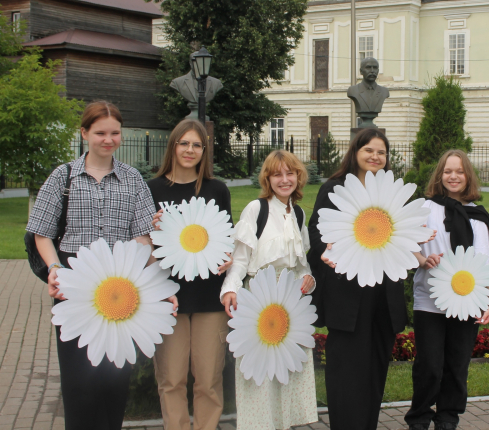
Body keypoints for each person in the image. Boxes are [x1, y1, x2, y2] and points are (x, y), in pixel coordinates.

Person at [26, 101, 169, 430]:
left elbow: (144, 239)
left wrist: (158, 281)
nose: (109, 139)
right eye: (100, 132)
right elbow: (42, 233)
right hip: (75, 291)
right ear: (84, 133)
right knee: (79, 386)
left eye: (115, 132)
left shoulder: (133, 180)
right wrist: (53, 268)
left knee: (114, 383)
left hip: (121, 292)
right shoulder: (63, 178)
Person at [307, 129, 405, 430]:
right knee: (345, 369)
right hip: (347, 295)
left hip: (382, 296)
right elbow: (316, 232)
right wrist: (324, 252)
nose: (375, 157)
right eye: (369, 150)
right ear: (356, 152)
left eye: (381, 152)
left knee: (375, 368)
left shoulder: (391, 193)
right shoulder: (335, 188)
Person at [220, 150, 318, 430]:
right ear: (268, 178)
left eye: (290, 173)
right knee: (259, 372)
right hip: (258, 297)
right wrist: (231, 289)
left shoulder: (298, 213)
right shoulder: (256, 209)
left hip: (290, 301)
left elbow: (301, 264)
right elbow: (240, 258)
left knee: (289, 368)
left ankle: (285, 423)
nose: (284, 180)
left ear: (298, 177)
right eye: (277, 174)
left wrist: (308, 278)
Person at [147, 119, 232, 430]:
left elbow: (227, 239)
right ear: (173, 146)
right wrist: (149, 228)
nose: (190, 150)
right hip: (166, 297)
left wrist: (230, 257)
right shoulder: (152, 190)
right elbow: (141, 246)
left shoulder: (216, 190)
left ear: (204, 151)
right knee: (171, 378)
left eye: (197, 145)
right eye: (184, 143)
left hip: (209, 297)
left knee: (209, 378)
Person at [404, 149, 489, 430]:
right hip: (429, 300)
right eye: (447, 171)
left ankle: (447, 417)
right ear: (439, 175)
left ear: (468, 176)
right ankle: (419, 416)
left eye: (459, 171)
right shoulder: (424, 208)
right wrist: (422, 260)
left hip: (466, 302)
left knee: (457, 365)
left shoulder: (478, 217)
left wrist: (488, 300)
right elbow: (406, 244)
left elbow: (484, 261)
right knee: (429, 365)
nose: (453, 176)